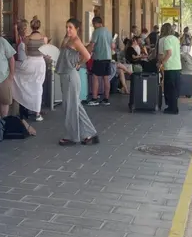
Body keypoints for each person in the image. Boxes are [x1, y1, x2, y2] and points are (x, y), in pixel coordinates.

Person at [56, 18, 99, 146]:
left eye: (70, 27)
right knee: (74, 106)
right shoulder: (68, 39)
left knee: (70, 107)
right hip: (66, 75)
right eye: (67, 27)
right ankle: (89, 133)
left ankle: (72, 136)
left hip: (70, 76)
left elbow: (87, 55)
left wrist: (78, 64)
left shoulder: (75, 41)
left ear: (77, 29)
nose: (68, 29)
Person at [11, 16, 49, 121]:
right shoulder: (44, 38)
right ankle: (37, 113)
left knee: (17, 75)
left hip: (30, 62)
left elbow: (26, 52)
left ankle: (22, 100)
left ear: (31, 27)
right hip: (40, 63)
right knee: (38, 87)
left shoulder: (27, 39)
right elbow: (45, 53)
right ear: (39, 26)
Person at [86, 16, 115, 106]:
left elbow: (92, 45)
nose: (93, 25)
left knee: (95, 77)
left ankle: (94, 98)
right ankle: (106, 99)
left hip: (99, 57)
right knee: (106, 78)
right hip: (108, 58)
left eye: (93, 24)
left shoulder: (96, 32)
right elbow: (112, 46)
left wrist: (87, 53)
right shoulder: (108, 31)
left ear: (96, 23)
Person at [157, 23, 182, 114]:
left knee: (170, 88)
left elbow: (169, 53)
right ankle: (174, 107)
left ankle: (172, 108)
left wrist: (162, 62)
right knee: (175, 88)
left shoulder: (166, 39)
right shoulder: (175, 39)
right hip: (177, 66)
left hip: (170, 66)